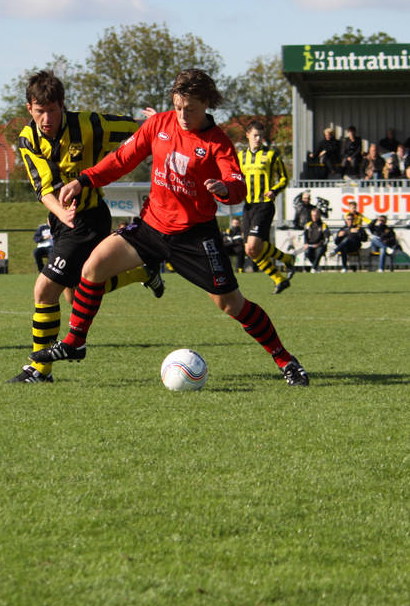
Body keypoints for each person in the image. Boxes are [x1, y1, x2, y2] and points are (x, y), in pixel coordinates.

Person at [30, 68, 310, 386]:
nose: (182, 115)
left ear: (206, 104)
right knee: (93, 267)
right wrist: (84, 180)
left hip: (195, 237)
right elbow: (121, 159)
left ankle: (286, 360)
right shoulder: (159, 124)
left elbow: (237, 184)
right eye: (177, 107)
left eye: (190, 109)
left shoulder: (217, 142)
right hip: (150, 227)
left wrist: (225, 189)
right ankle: (75, 342)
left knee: (231, 304)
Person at [10, 69, 164, 385]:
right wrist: (61, 214)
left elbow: (135, 128)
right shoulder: (28, 139)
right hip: (63, 221)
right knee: (76, 294)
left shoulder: (90, 124)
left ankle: (39, 369)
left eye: (53, 110)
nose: (46, 118)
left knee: (44, 289)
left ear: (63, 105)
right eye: (40, 111)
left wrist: (158, 121)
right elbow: (43, 188)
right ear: (29, 108)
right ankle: (142, 273)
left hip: (90, 219)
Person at [238, 120, 295, 293]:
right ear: (247, 135)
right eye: (255, 135)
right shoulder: (241, 156)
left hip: (264, 205)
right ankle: (280, 278)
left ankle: (286, 259)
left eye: (261, 136)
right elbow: (234, 177)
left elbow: (285, 178)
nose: (258, 139)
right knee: (250, 250)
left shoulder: (271, 155)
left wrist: (274, 191)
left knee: (254, 243)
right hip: (248, 206)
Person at [328, 199, 368, 272]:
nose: (350, 221)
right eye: (348, 219)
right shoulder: (343, 229)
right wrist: (339, 236)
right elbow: (336, 242)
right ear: (346, 220)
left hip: (355, 246)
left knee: (347, 240)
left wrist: (358, 232)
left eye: (351, 219)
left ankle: (335, 251)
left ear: (354, 220)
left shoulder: (358, 228)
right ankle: (344, 268)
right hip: (346, 247)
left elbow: (365, 239)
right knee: (344, 247)